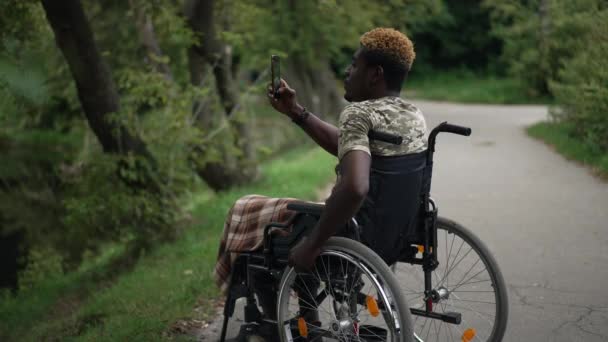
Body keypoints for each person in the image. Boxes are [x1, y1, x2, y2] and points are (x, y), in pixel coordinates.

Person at [215, 27, 427, 340]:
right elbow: (349, 147)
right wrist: (295, 112)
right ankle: (307, 315)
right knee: (291, 219)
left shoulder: (357, 113)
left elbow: (355, 187)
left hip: (355, 228)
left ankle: (274, 325)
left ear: (375, 74)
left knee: (247, 211)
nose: (347, 70)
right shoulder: (412, 114)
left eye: (354, 65)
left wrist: (313, 244)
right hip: (395, 229)